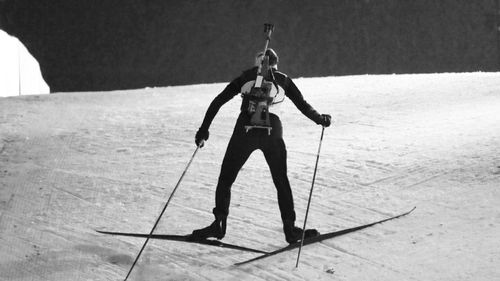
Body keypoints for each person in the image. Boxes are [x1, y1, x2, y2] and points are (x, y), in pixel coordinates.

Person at [190, 48, 331, 244]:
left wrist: (203, 130)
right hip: (272, 130)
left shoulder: (246, 77)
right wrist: (320, 119)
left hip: (244, 129)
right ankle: (290, 230)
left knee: (226, 178)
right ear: (276, 63)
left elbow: (218, 101)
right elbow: (303, 105)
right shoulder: (283, 80)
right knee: (280, 180)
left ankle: (219, 223)